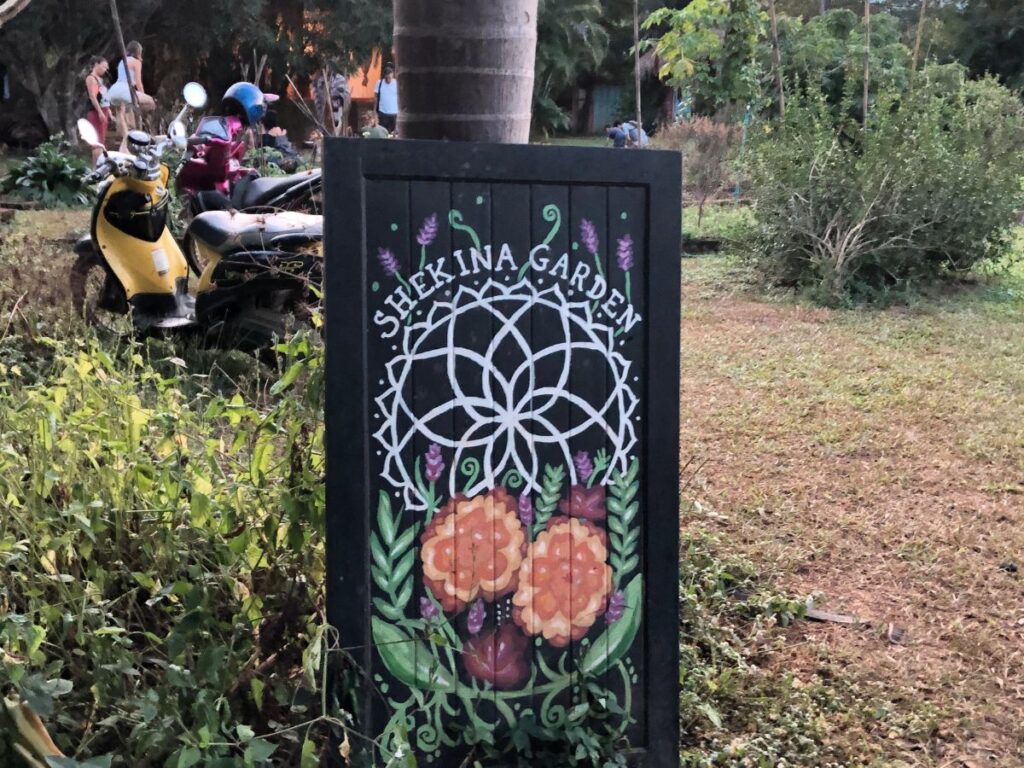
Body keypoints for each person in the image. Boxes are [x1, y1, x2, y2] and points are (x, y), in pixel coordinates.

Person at [107, 41, 156, 134]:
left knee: (121, 113)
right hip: (126, 90)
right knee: (151, 102)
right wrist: (142, 94)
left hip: (114, 91)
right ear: (138, 51)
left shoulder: (122, 61)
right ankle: (141, 122)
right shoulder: (136, 62)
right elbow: (138, 82)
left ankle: (123, 135)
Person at [83, 56, 112, 163]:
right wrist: (100, 111)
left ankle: (98, 165)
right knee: (97, 142)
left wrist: (108, 111)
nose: (105, 69)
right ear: (96, 64)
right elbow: (93, 96)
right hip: (95, 112)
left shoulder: (101, 80)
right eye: (104, 66)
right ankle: (96, 166)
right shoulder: (91, 78)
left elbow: (104, 97)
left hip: (103, 111)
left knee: (101, 141)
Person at [313, 65, 350, 135]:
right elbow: (319, 95)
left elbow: (342, 93)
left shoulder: (339, 79)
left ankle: (335, 136)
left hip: (337, 104)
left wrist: (331, 94)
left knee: (336, 123)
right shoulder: (321, 80)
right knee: (322, 124)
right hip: (324, 107)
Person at [375, 63, 398, 134]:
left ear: (392, 75)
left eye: (390, 78)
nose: (388, 80)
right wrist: (374, 111)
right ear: (384, 76)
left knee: (393, 134)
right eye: (387, 78)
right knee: (382, 133)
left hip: (394, 113)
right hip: (383, 113)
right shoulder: (379, 83)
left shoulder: (396, 83)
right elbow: (375, 97)